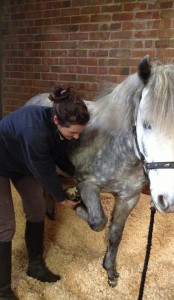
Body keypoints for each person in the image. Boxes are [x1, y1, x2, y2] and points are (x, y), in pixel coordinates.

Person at [0, 86, 90, 300]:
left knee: (37, 210)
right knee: (5, 226)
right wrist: (60, 198)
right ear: (58, 121)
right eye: (73, 132)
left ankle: (35, 266)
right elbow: (44, 170)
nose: (76, 137)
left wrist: (81, 175)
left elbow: (59, 158)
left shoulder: (59, 130)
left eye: (80, 132)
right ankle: (3, 291)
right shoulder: (34, 131)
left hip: (21, 162)